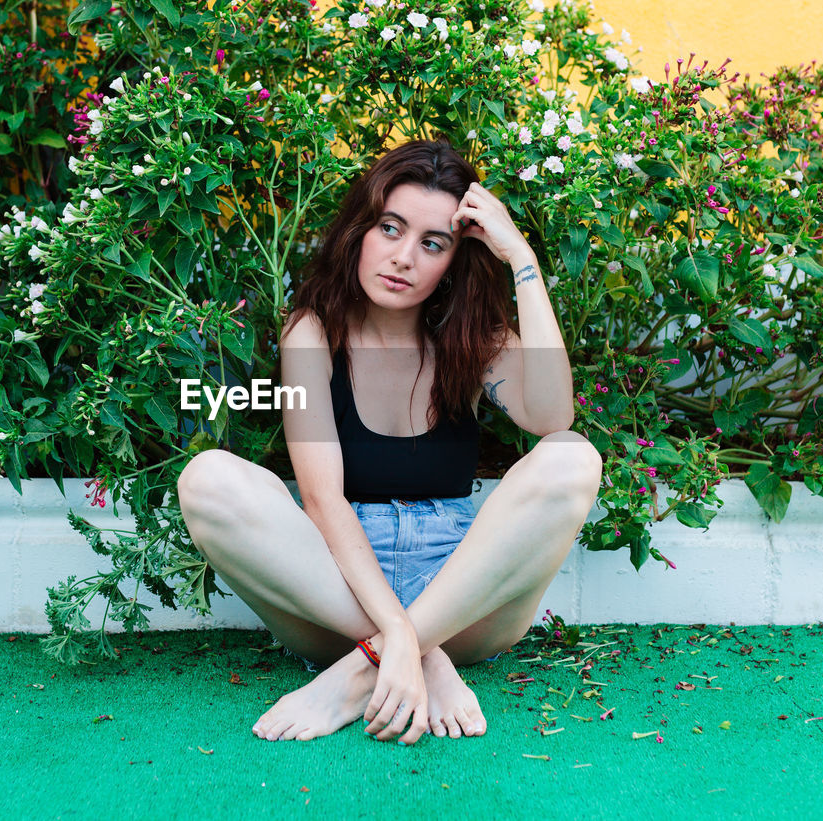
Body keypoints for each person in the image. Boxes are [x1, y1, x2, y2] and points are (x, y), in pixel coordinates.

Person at [176, 138, 603, 745]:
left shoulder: (473, 339)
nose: (403, 257)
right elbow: (322, 501)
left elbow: (553, 416)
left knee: (572, 456)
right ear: (361, 230)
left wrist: (521, 259)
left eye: (432, 244)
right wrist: (402, 637)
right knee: (207, 479)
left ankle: (361, 672)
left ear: (453, 262)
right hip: (340, 594)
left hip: (463, 593)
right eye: (390, 229)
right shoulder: (312, 333)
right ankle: (421, 656)